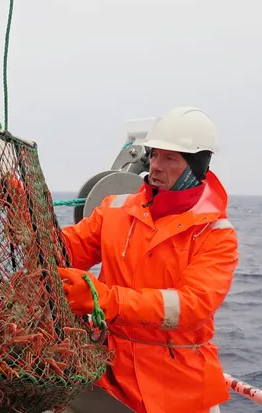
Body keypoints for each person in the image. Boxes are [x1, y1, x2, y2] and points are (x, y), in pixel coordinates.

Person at [57, 106, 239, 413]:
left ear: (197, 166)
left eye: (170, 158)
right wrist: (22, 214)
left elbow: (192, 305)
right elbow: (67, 249)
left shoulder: (216, 234)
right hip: (109, 378)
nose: (156, 166)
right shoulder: (116, 208)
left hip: (178, 391)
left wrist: (106, 299)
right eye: (154, 155)